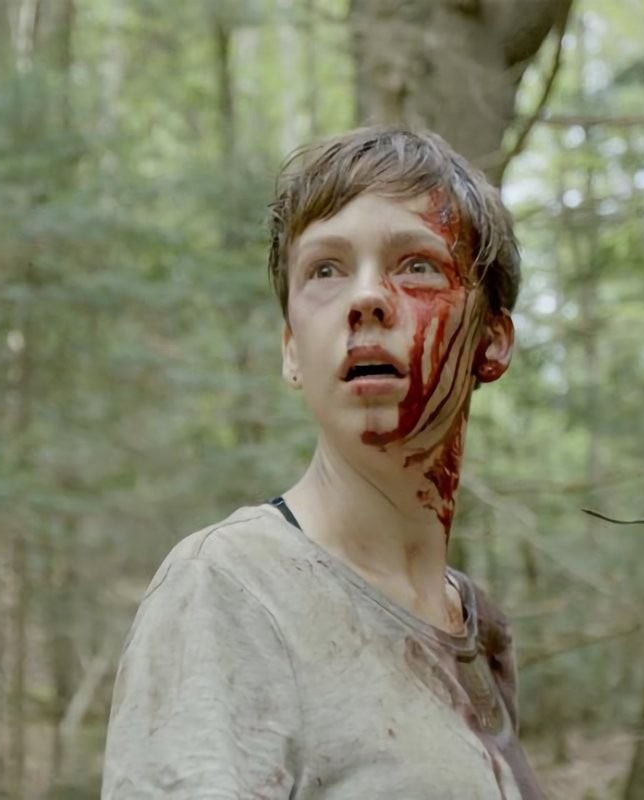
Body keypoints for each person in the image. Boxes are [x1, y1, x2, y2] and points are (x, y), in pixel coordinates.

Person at [101, 127, 546, 799]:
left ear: (492, 340)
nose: (367, 298)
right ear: (291, 350)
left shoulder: (481, 628)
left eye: (416, 265)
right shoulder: (228, 588)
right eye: (325, 270)